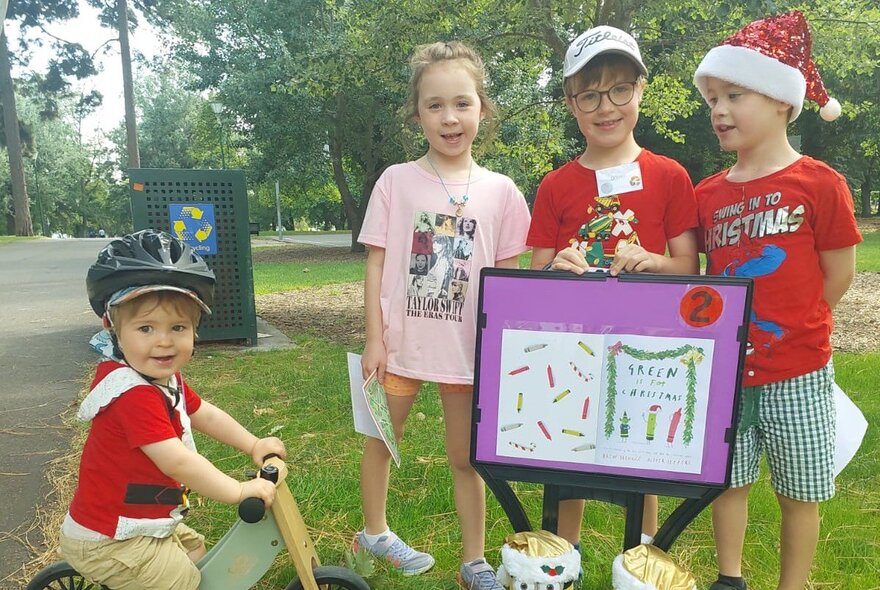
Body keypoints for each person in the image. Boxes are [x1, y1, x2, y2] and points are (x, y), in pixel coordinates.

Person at [692, 11, 860, 590]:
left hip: (800, 369)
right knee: (729, 478)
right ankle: (730, 577)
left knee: (800, 489)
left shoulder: (819, 183)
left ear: (784, 102)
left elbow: (838, 271)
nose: (718, 110)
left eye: (734, 94)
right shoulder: (708, 194)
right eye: (712, 97)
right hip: (728, 371)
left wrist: (800, 322)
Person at [355, 41, 531, 590]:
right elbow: (377, 264)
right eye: (434, 105)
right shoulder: (395, 180)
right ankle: (374, 533)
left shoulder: (503, 193)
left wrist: (500, 352)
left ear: (482, 108)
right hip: (401, 346)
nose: (449, 117)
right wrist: (374, 338)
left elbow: (508, 285)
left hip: (468, 354)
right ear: (418, 114)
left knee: (466, 459)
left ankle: (474, 560)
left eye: (461, 102)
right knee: (383, 440)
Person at [526, 25, 700, 551]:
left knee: (642, 439)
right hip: (571, 344)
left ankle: (642, 552)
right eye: (589, 94)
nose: (606, 107)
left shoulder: (670, 176)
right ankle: (564, 549)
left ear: (641, 91)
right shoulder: (555, 185)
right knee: (568, 443)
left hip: (648, 343)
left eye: (620, 89)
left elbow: (689, 265)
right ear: (570, 102)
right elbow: (535, 276)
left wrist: (651, 260)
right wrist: (559, 263)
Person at [59, 229, 286, 590]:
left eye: (178, 327)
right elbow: (176, 461)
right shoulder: (131, 394)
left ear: (195, 330)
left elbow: (204, 413)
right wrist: (236, 491)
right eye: (146, 328)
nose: (164, 340)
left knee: (196, 552)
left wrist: (254, 444)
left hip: (142, 519)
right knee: (183, 582)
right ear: (113, 329)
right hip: (111, 537)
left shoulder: (163, 379)